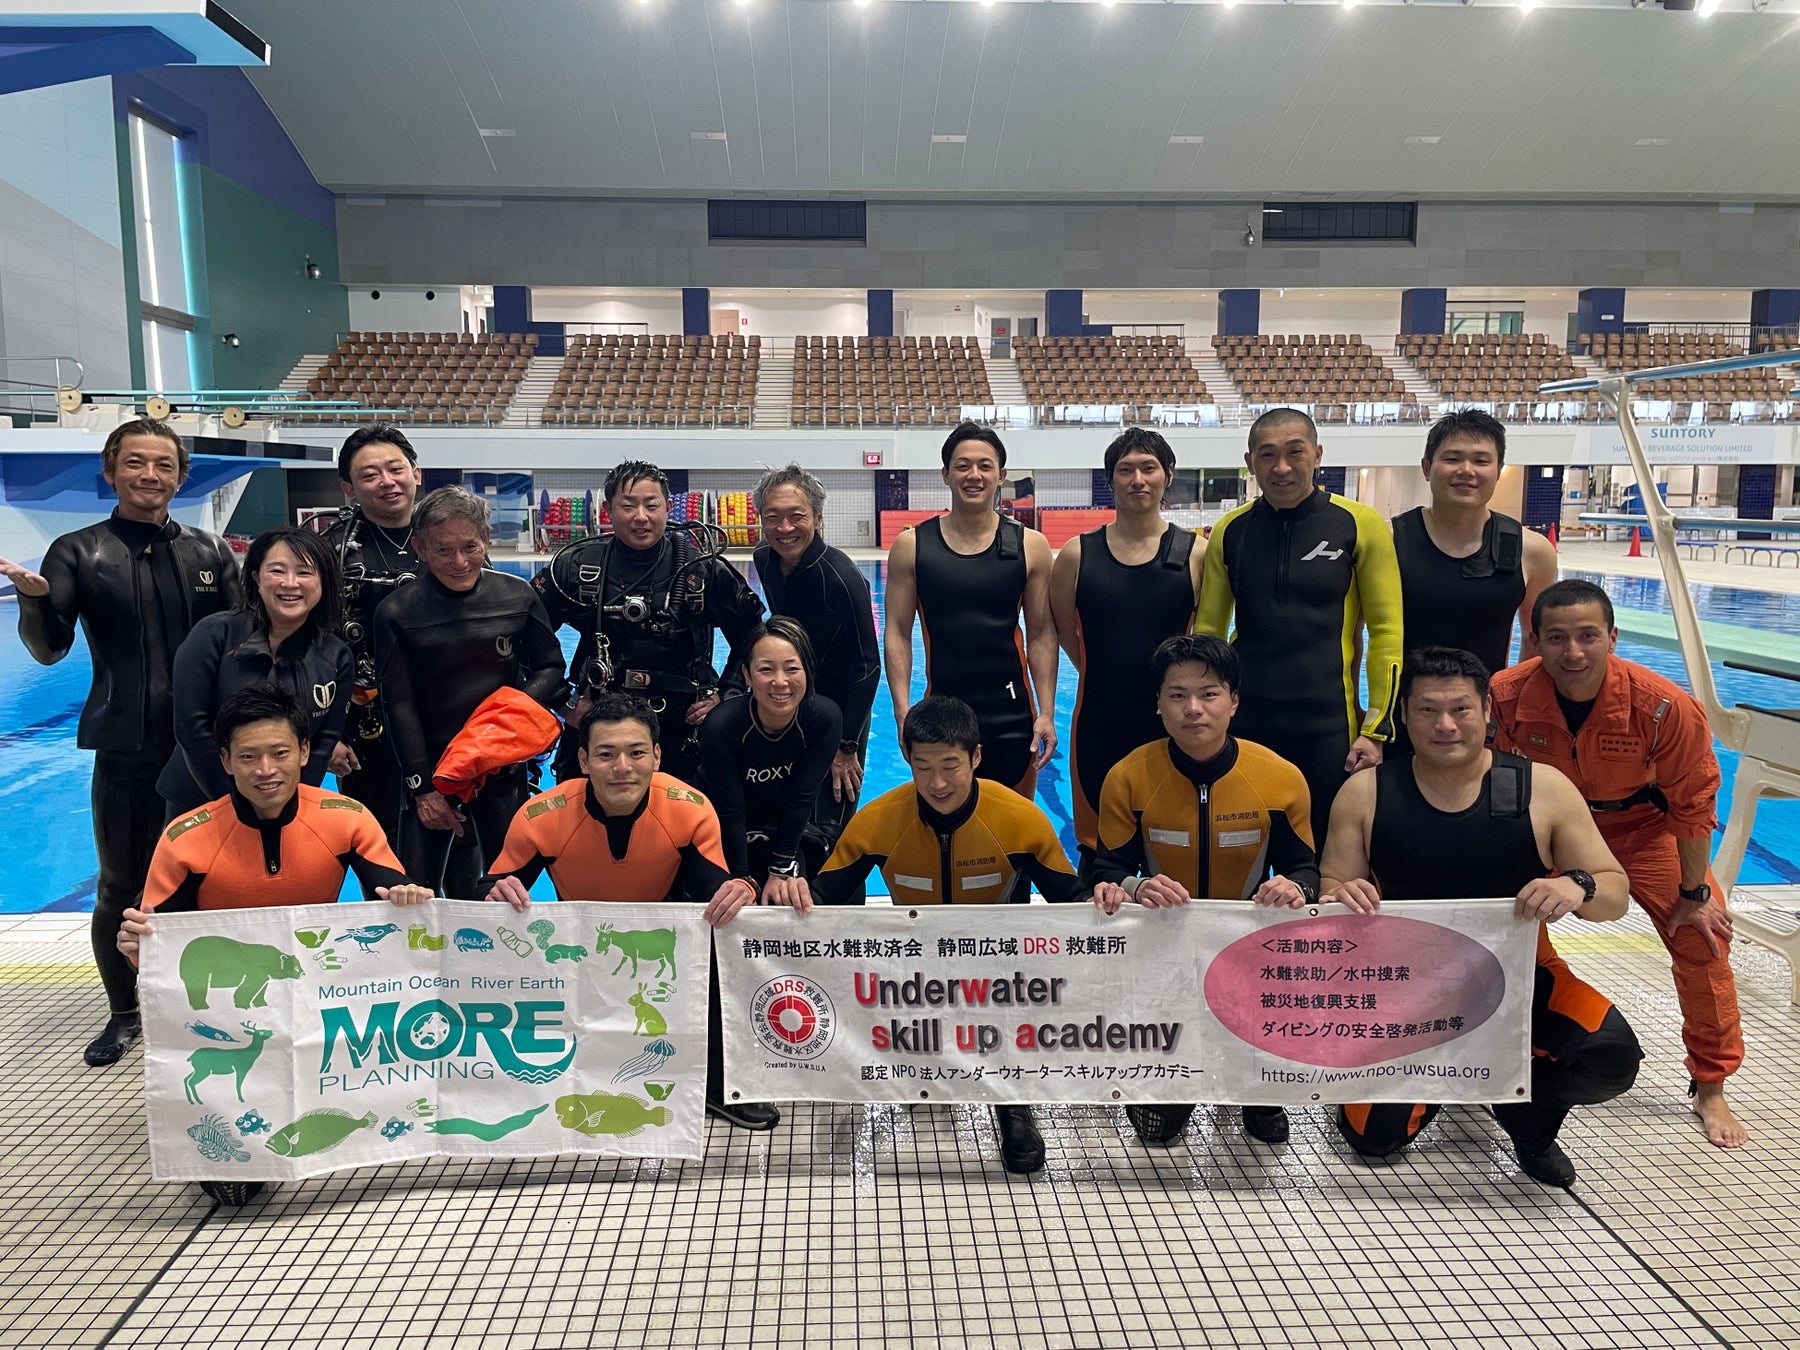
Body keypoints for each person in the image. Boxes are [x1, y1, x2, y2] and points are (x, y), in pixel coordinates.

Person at [1320, 646, 1643, 1187]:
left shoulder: (1542, 789)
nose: (1445, 725)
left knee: (1610, 1056)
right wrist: (1341, 894)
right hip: (1403, 987)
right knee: (1374, 1139)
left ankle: (1526, 1115)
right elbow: (1332, 890)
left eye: (1461, 709)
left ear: (1487, 711)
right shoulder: (1366, 794)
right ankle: (1442, 1077)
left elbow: (1615, 894)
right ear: (1404, 716)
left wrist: (1577, 884)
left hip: (1520, 975)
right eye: (1427, 710)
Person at [118, 683, 433, 1207]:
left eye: (280, 752)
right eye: (249, 757)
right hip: (233, 1005)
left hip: (315, 990)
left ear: (305, 752)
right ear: (225, 761)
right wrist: (135, 945)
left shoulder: (345, 818)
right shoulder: (187, 838)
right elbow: (159, 953)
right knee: (234, 1189)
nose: (266, 769)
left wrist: (408, 897)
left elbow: (392, 902)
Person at [0, 418, 241, 1067]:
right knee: (119, 884)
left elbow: (242, 641)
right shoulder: (78, 552)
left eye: (163, 464)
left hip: (203, 745)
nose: (149, 475)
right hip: (125, 742)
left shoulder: (209, 551)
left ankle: (201, 1003)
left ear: (180, 477)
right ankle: (124, 1012)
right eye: (134, 462)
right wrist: (33, 603)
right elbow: (49, 651)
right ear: (110, 471)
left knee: (211, 878)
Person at [1488, 579, 1748, 1148]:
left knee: (1703, 938)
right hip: (1553, 831)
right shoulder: (1505, 696)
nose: (1573, 652)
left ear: (1613, 637)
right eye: (1556, 638)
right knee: (1500, 924)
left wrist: (1694, 894)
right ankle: (1508, 1044)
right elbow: (1488, 782)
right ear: (1534, 640)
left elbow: (1694, 804)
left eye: (1587, 636)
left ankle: (1711, 1083)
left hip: (1645, 829)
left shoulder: (1663, 706)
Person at [801, 696, 1091, 1175]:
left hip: (998, 978)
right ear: (907, 759)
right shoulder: (877, 821)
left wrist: (1110, 895)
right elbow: (820, 899)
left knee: (1019, 990)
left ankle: (1013, 1102)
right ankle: (918, 1059)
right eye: (923, 768)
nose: (937, 783)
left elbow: (1072, 898)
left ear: (976, 757)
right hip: (915, 977)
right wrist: (788, 891)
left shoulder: (1018, 819)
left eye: (950, 766)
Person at [477, 693, 775, 1131]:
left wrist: (741, 888)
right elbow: (487, 888)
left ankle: (716, 1082)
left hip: (652, 939)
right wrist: (496, 891)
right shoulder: (542, 817)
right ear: (583, 760)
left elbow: (714, 889)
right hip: (581, 947)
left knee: (724, 936)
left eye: (636, 753)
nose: (622, 767)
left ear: (657, 756)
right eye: (606, 754)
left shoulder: (687, 809)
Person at [1087, 634, 1318, 1146]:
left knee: (1264, 1105)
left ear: (1233, 701)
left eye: (1209, 694)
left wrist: (1293, 887)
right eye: (1177, 695)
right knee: (1158, 1132)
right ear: (1158, 703)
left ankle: (1257, 1084)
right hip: (1163, 951)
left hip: (1250, 954)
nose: (1193, 709)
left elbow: (1305, 868)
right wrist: (1137, 887)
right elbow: (1107, 870)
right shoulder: (1128, 778)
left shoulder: (1279, 779)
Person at [1195, 407, 1404, 830]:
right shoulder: (1230, 530)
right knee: (1241, 846)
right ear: (1250, 461)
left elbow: (1387, 630)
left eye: (1295, 452)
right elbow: (1209, 632)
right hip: (1245, 720)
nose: (1282, 467)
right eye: (1267, 455)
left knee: (1325, 847)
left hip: (1326, 724)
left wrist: (1376, 728)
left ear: (1318, 454)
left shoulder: (1358, 524)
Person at [372, 485, 567, 895]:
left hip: (500, 768)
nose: (459, 562)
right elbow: (398, 702)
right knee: (416, 892)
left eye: (470, 547)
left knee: (508, 890)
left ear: (487, 540)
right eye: (443, 550)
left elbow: (550, 667)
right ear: (420, 548)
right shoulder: (396, 612)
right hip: (434, 771)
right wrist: (422, 787)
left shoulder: (517, 596)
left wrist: (504, 718)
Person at [532, 460, 764, 786]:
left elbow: (753, 636)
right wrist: (564, 702)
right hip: (598, 720)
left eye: (651, 505)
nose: (640, 517)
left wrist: (728, 696)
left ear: (667, 508)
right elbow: (527, 636)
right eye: (628, 506)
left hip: (683, 726)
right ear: (607, 510)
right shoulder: (577, 567)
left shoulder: (702, 568)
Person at [1049, 428, 1203, 863]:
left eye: (1148, 468)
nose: (1138, 479)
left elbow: (1208, 641)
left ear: (1167, 475)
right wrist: (1096, 668)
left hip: (1173, 719)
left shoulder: (1196, 553)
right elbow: (1063, 630)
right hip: (1099, 716)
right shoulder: (1078, 554)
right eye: (1125, 470)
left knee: (1174, 841)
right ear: (1110, 479)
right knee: (1098, 846)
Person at [884, 424, 1058, 798]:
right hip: (941, 715)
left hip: (1012, 715)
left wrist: (1046, 712)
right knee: (945, 820)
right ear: (945, 474)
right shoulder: (912, 546)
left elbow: (1042, 634)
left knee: (1011, 823)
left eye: (984, 466)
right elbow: (896, 632)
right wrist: (901, 711)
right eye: (962, 466)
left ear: (1001, 475)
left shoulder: (1030, 545)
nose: (974, 475)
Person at [158, 527, 354, 816]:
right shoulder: (213, 634)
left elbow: (322, 743)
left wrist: (293, 805)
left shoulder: (336, 655)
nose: (290, 583)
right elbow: (191, 727)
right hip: (201, 798)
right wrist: (234, 804)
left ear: (324, 581)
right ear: (256, 578)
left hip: (284, 805)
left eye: (304, 572)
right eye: (277, 571)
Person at [752, 464, 880, 844]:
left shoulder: (842, 578)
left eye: (797, 516)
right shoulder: (764, 559)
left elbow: (868, 665)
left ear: (818, 518)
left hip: (840, 712)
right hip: (790, 702)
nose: (785, 528)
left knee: (830, 828)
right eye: (773, 517)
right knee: (785, 817)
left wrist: (847, 746)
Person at [1392, 409, 1557, 677]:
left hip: (1487, 702)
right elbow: (1352, 630)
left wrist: (1515, 700)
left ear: (1498, 471)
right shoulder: (1389, 540)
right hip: (1404, 701)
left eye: (1481, 461)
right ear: (1426, 467)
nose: (1466, 470)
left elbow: (1535, 639)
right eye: (1452, 459)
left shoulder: (1532, 551)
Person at [322, 424, 425, 844]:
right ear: (349, 488)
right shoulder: (328, 552)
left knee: (460, 854)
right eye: (369, 475)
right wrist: (327, 733)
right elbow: (306, 647)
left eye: (395, 469)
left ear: (416, 473)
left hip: (447, 721)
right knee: (375, 848)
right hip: (366, 730)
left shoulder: (451, 538)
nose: (387, 481)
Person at [699, 618, 843, 898]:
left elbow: (802, 797)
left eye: (792, 669)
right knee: (729, 903)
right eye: (766, 669)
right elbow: (730, 809)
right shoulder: (722, 726)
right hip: (722, 829)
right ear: (747, 675)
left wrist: (780, 869)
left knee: (793, 898)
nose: (780, 682)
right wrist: (742, 879)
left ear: (808, 670)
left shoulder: (824, 719)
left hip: (781, 831)